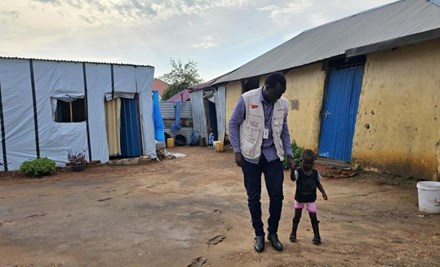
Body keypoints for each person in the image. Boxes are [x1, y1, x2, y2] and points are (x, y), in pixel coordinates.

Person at [228, 72, 296, 252]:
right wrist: (236, 150)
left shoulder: (282, 104)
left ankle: (272, 233)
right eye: (275, 94)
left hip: (273, 155)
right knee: (253, 196)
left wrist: (289, 154)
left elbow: (284, 130)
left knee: (277, 196)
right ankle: (258, 233)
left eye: (281, 95)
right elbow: (233, 124)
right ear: (266, 88)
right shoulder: (247, 99)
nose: (278, 98)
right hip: (251, 156)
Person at [289, 149, 328, 245]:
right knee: (296, 217)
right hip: (299, 198)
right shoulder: (298, 171)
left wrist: (323, 192)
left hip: (311, 199)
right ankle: (293, 233)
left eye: (310, 164)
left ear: (313, 163)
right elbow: (293, 178)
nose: (308, 166)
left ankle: (317, 236)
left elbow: (318, 183)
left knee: (313, 218)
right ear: (302, 161)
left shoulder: (315, 173)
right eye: (306, 163)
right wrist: (292, 170)